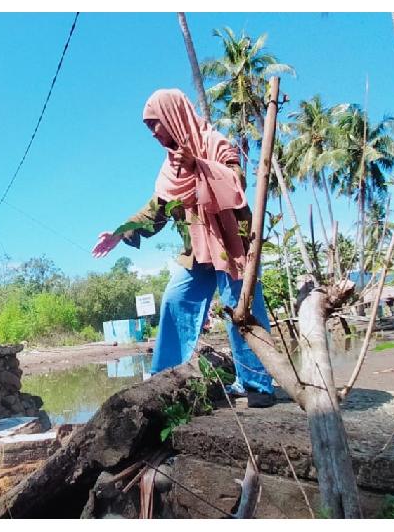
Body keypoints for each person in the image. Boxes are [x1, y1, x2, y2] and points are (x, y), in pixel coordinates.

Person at [92, 88, 275, 408]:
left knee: (241, 307)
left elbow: (236, 184)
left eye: (155, 125)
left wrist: (198, 165)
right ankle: (164, 380)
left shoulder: (214, 142)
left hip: (230, 244)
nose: (153, 134)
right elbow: (155, 211)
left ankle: (257, 383)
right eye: (149, 128)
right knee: (176, 301)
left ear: (173, 116)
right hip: (197, 251)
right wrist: (121, 233)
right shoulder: (169, 169)